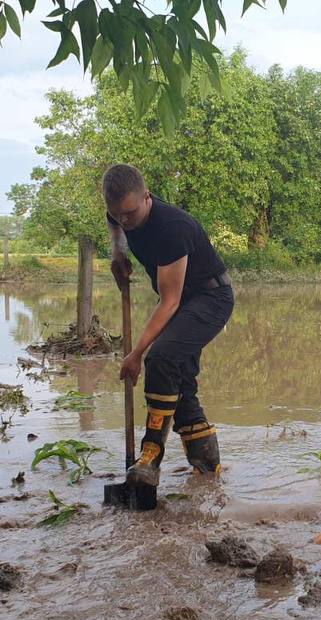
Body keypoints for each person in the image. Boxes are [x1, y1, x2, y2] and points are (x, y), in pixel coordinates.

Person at [104, 163, 234, 491]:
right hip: (183, 300)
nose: (125, 220)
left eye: (131, 213)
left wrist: (135, 353)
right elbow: (115, 227)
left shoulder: (172, 228)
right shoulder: (119, 213)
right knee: (180, 380)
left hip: (210, 298)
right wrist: (118, 255)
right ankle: (208, 470)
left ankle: (151, 457)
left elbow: (170, 301)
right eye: (118, 214)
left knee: (159, 358)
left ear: (147, 197)